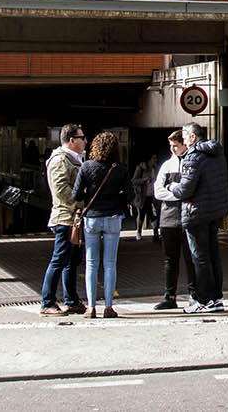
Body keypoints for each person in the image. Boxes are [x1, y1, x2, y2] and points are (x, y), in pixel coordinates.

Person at [162, 122, 228, 314]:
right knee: (213, 256)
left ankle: (203, 299)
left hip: (196, 212)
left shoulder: (193, 157)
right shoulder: (216, 154)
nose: (183, 140)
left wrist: (172, 188)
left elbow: (186, 189)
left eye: (184, 137)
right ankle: (216, 298)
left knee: (199, 258)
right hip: (213, 211)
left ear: (193, 137)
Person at [71, 131, 131, 319]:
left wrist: (90, 191)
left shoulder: (87, 167)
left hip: (92, 218)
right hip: (113, 217)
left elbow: (76, 195)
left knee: (91, 263)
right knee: (110, 263)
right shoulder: (120, 169)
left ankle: (91, 307)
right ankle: (108, 306)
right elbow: (130, 195)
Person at [40, 124, 86, 316]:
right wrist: (81, 203)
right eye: (82, 138)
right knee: (59, 259)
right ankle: (47, 301)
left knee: (71, 261)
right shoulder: (60, 160)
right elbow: (61, 190)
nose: (85, 141)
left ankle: (71, 300)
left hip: (74, 218)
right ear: (72, 140)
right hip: (65, 218)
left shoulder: (74, 159)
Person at [152, 131, 195, 310]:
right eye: (171, 145)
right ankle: (169, 296)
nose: (172, 149)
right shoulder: (166, 166)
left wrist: (171, 190)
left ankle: (194, 294)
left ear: (184, 144)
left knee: (190, 258)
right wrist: (179, 193)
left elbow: (190, 189)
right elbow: (157, 191)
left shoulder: (191, 163)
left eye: (175, 145)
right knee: (170, 259)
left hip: (186, 217)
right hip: (169, 219)